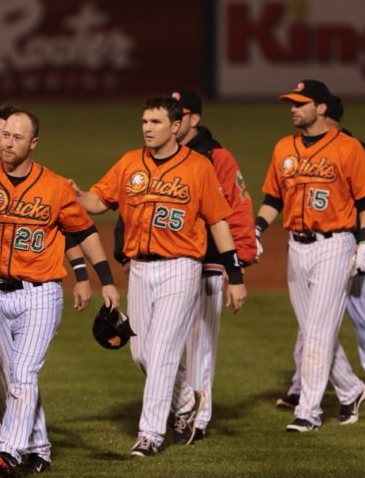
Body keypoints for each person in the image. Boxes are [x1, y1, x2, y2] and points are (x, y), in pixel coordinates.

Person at [0, 103, 119, 478]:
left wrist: (104, 280)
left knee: (24, 372)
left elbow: (84, 233)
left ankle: (10, 450)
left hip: (40, 294)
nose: (6, 143)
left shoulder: (57, 187)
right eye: (1, 135)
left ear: (33, 142)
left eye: (16, 136)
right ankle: (39, 448)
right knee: (12, 376)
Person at [74, 96, 247, 457]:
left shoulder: (199, 167)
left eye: (155, 122)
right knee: (140, 352)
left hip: (181, 267)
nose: (148, 128)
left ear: (175, 126)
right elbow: (96, 202)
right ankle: (188, 398)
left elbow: (218, 221)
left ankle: (150, 433)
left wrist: (235, 273)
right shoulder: (129, 163)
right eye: (144, 122)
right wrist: (72, 194)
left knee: (165, 349)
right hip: (139, 269)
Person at [255, 79, 365, 432]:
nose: (293, 109)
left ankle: (308, 412)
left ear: (321, 108)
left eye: (300, 103)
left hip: (335, 245)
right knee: (313, 330)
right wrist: (258, 229)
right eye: (291, 103)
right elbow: (274, 199)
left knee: (318, 333)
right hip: (296, 247)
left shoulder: (348, 148)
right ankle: (352, 389)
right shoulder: (283, 148)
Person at [169, 89, 256, 442]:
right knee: (154, 345)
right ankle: (186, 401)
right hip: (166, 261)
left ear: (194, 119)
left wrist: (238, 263)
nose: (173, 120)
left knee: (200, 342)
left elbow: (237, 208)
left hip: (207, 262)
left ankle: (197, 420)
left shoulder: (218, 157)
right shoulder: (159, 152)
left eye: (181, 113)